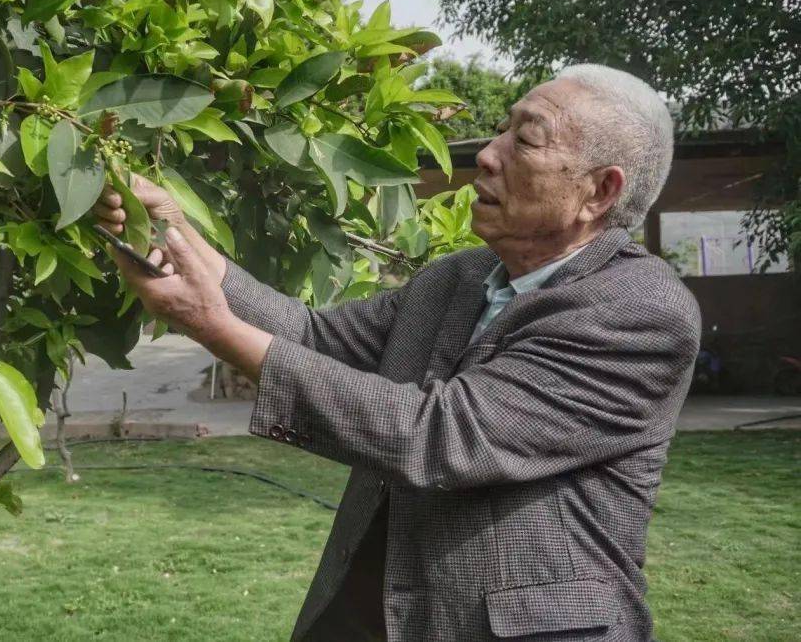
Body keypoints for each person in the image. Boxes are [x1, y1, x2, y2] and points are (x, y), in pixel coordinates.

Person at [95, 64, 701, 641]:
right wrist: (175, 234)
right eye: (500, 130)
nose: (487, 155)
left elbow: (442, 436)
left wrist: (212, 326)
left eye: (526, 139)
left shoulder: (639, 311)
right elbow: (313, 338)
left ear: (600, 190)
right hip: (366, 615)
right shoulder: (460, 278)